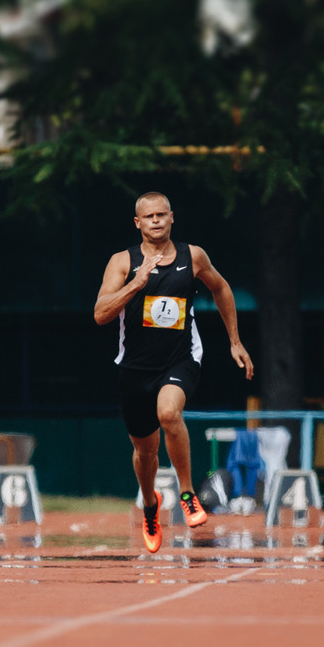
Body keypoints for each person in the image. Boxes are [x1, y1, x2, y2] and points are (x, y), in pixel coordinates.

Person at [92, 191, 253, 552]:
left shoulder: (192, 256)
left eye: (162, 214)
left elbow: (222, 288)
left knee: (169, 413)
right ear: (138, 223)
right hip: (134, 367)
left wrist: (234, 341)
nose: (156, 221)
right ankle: (150, 504)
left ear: (172, 217)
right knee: (145, 452)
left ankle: (187, 492)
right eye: (149, 216)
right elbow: (101, 314)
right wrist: (135, 284)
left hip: (181, 358)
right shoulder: (122, 262)